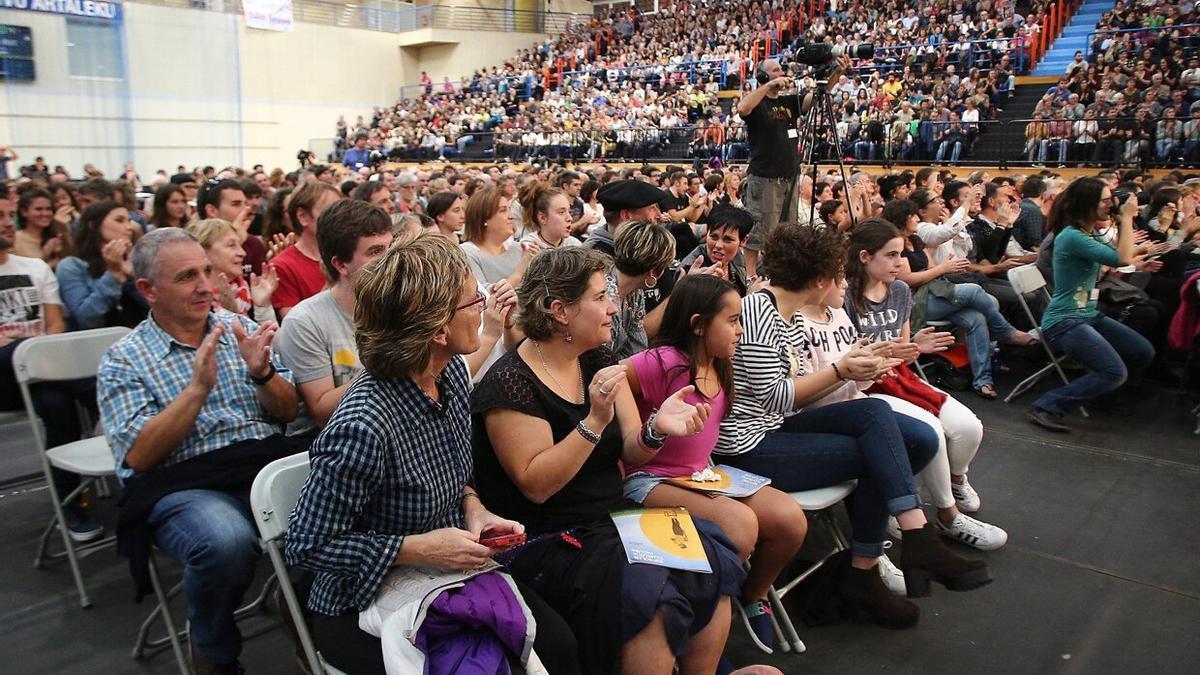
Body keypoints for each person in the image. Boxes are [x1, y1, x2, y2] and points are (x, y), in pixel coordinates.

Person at [284, 234, 579, 675]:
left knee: (556, 645)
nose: (483, 302)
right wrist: (415, 548)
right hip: (361, 596)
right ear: (437, 330)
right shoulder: (364, 425)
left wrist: (474, 509)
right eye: (472, 298)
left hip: (440, 572)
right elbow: (305, 545)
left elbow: (455, 474)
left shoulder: (451, 374)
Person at [471, 246, 745, 675]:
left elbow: (632, 450)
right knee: (653, 599)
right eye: (600, 298)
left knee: (712, 565)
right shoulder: (510, 383)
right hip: (546, 540)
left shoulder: (596, 359)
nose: (614, 307)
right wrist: (594, 422)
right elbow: (537, 486)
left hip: (610, 521)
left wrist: (658, 428)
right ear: (559, 310)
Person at [715, 222, 992, 628]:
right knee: (879, 449)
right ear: (820, 278)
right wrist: (842, 370)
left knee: (881, 418)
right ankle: (877, 564)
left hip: (774, 427)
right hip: (749, 443)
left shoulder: (783, 314)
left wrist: (857, 366)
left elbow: (786, 393)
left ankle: (896, 545)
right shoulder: (760, 312)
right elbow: (774, 396)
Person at [97, 228, 302, 675]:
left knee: (352, 495)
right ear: (148, 290)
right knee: (224, 541)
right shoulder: (123, 358)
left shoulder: (241, 328)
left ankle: (322, 635)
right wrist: (196, 391)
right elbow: (138, 458)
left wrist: (263, 373)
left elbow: (287, 412)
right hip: (182, 481)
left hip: (256, 464)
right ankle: (212, 650)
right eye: (187, 276)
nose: (207, 286)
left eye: (207, 271)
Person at [621, 273, 808, 651]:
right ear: (699, 325)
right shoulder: (665, 361)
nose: (741, 330)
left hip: (700, 475)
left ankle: (750, 597)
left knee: (790, 520)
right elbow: (616, 375)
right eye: (733, 320)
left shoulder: (722, 361)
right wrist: (633, 423)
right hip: (650, 479)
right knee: (739, 526)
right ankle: (700, 614)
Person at [845, 220, 1008, 551]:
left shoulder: (900, 291)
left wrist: (914, 347)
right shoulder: (845, 297)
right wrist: (902, 352)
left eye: (901, 255)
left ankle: (955, 480)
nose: (899, 264)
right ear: (864, 256)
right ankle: (948, 514)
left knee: (968, 428)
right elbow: (851, 364)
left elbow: (901, 354)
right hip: (864, 386)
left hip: (896, 376)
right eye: (892, 255)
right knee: (931, 429)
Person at [0, 194, 104, 541]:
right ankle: (108, 402)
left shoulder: (35, 268)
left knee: (54, 402)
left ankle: (72, 505)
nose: (6, 223)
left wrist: (35, 351)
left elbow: (56, 326)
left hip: (44, 371)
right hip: (5, 375)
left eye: (9, 215)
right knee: (23, 354)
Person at [1028, 178, 1155, 432]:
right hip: (1064, 320)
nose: (1111, 205)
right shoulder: (1072, 236)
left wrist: (1137, 248)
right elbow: (1121, 258)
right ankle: (1047, 405)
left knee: (1142, 351)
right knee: (1114, 372)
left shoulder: (1086, 233)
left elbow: (1118, 255)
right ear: (1087, 205)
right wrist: (1127, 218)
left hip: (1086, 312)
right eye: (1105, 201)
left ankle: (1101, 397)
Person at [885, 197, 1036, 398]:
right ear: (902, 218)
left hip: (934, 291)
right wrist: (942, 268)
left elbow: (931, 269)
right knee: (974, 291)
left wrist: (943, 267)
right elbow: (908, 280)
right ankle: (1007, 332)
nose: (916, 218)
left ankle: (983, 380)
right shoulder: (896, 245)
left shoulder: (915, 240)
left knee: (977, 318)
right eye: (912, 215)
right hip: (916, 301)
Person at [273, 200, 393, 436]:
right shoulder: (305, 322)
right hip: (329, 444)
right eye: (376, 252)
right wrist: (393, 363)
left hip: (389, 432)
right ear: (340, 264)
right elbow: (321, 412)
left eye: (391, 247)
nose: (392, 260)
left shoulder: (399, 305)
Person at [737, 57, 847, 278]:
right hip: (765, 177)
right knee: (760, 231)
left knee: (787, 230)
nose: (781, 73)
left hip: (789, 175)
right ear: (762, 76)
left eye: (781, 70)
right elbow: (743, 108)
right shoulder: (757, 103)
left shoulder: (789, 102)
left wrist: (837, 73)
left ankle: (778, 272)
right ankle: (749, 277)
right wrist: (766, 87)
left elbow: (817, 97)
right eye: (775, 70)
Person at [56, 201, 148, 330]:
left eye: (129, 221)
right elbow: (87, 320)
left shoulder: (134, 260)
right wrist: (113, 275)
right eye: (120, 221)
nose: (129, 227)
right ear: (93, 225)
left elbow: (157, 310)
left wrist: (132, 279)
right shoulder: (72, 266)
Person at [607, 220, 676, 360]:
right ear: (653, 273)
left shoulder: (635, 294)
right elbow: (598, 360)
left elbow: (636, 350)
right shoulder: (604, 296)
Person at [186, 219, 277, 325]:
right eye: (231, 245)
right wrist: (230, 314)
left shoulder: (245, 291)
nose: (242, 253)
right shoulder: (193, 302)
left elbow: (272, 340)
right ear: (203, 251)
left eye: (240, 245)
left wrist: (262, 307)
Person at [272, 180, 341, 318]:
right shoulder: (282, 266)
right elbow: (295, 326)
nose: (340, 217)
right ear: (302, 216)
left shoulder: (348, 254)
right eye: (330, 211)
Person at [460, 186, 534, 288]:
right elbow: (484, 297)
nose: (511, 216)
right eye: (503, 210)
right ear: (484, 218)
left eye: (509, 209)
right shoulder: (466, 254)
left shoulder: (520, 249)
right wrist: (519, 273)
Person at [679, 204, 753, 296]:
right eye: (714, 237)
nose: (718, 245)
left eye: (728, 240)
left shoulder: (738, 257)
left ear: (743, 240)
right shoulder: (690, 269)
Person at [591, 179, 669, 256]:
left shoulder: (637, 242)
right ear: (626, 216)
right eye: (652, 208)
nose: (658, 215)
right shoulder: (596, 259)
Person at [15, 187, 72, 270]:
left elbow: (71, 260)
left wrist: (64, 231)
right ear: (24, 212)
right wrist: (45, 254)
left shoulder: (57, 235)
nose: (45, 214)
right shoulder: (15, 240)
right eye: (38, 209)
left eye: (48, 209)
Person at [517, 181, 581, 250]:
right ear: (543, 218)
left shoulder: (575, 245)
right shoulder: (528, 248)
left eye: (569, 212)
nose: (570, 218)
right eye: (561, 212)